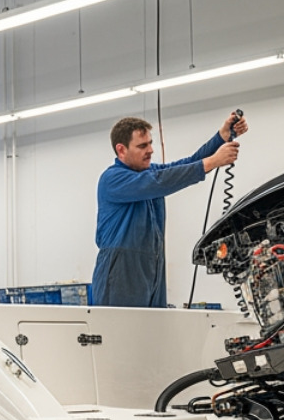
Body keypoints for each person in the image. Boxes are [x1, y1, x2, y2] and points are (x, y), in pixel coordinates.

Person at [92, 111, 247, 308]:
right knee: (120, 333)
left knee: (153, 333)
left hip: (152, 265)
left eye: (150, 143)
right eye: (142, 146)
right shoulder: (112, 179)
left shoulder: (148, 172)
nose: (150, 150)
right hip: (121, 270)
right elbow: (160, 182)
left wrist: (222, 137)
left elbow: (186, 164)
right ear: (121, 150)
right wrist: (212, 162)